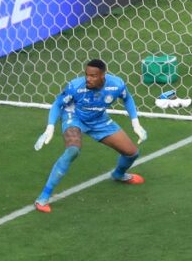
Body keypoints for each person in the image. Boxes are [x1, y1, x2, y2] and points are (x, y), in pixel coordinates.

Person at [33, 59, 148, 213]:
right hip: (74, 117)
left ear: (103, 76)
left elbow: (127, 98)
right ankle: (43, 197)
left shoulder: (116, 85)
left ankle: (119, 175)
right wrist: (50, 127)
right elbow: (57, 104)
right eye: (87, 75)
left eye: (93, 76)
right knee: (73, 150)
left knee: (132, 153)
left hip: (99, 120)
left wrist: (135, 123)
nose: (88, 78)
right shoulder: (75, 86)